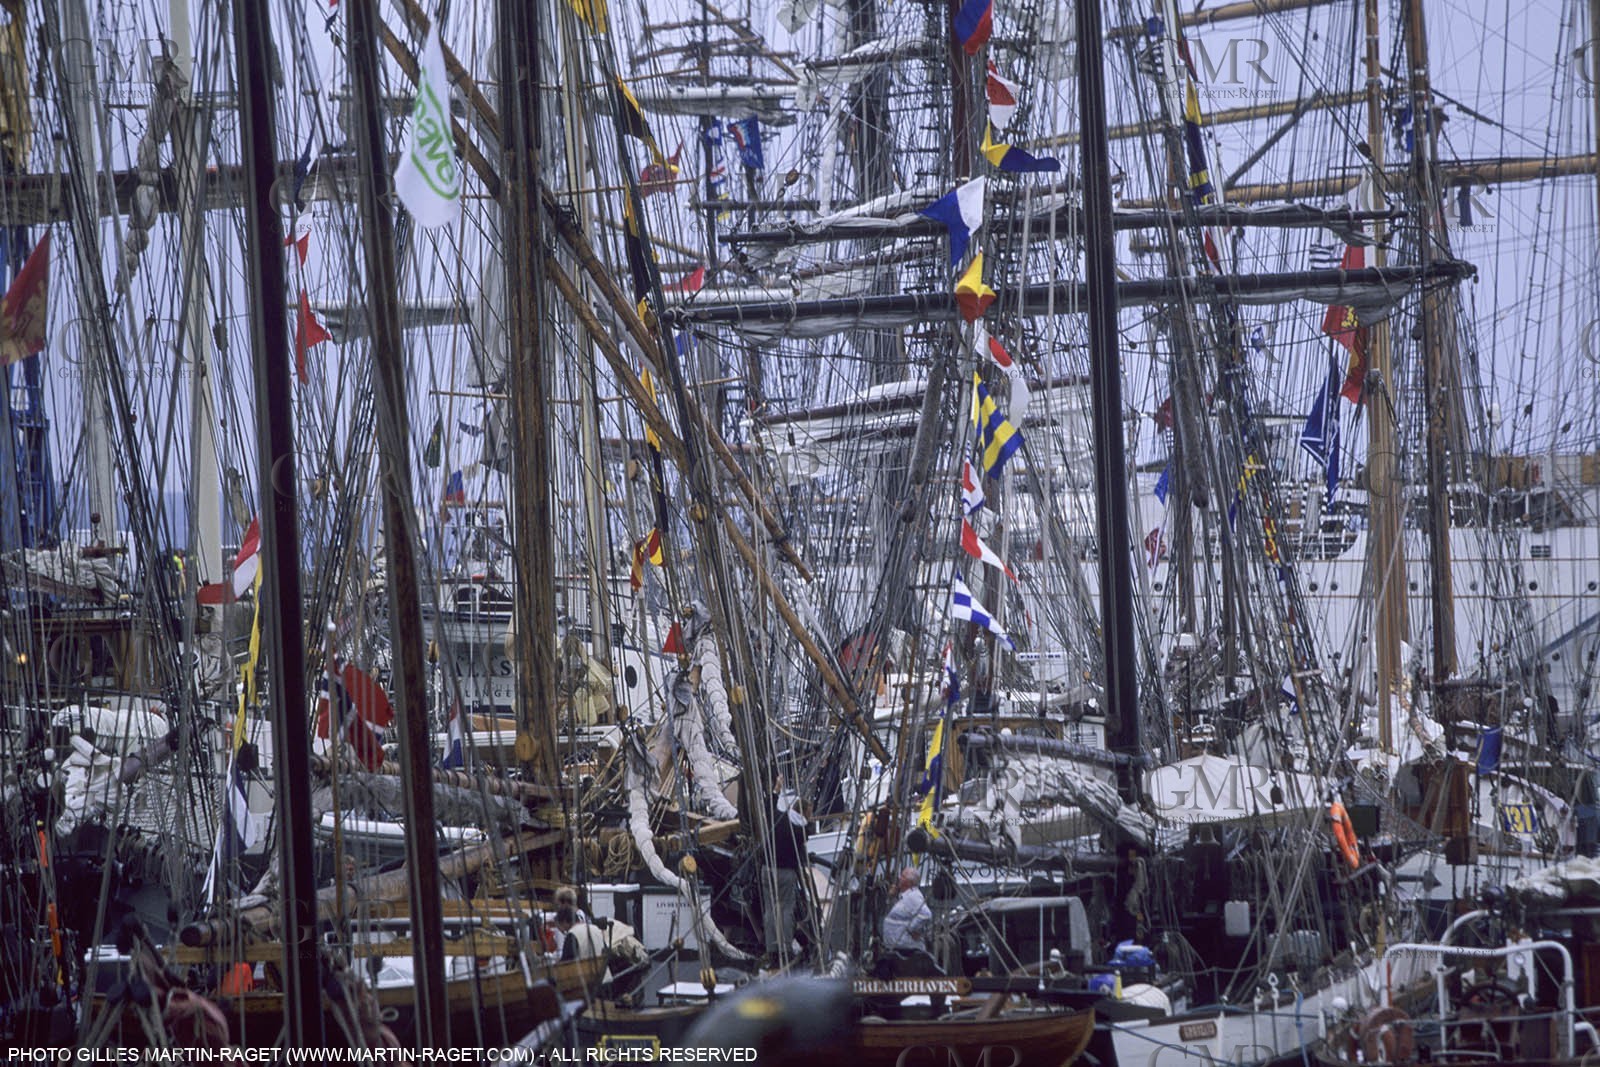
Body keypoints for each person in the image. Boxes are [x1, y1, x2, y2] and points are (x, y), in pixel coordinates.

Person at [760, 780, 809, 969]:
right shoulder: (803, 829)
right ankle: (785, 949)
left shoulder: (779, 819)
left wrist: (776, 790)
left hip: (767, 870)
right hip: (786, 873)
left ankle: (771, 950)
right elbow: (802, 858)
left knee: (770, 910)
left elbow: (768, 807)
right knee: (785, 909)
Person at [878, 867, 938, 976]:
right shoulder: (904, 896)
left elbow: (926, 914)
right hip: (897, 948)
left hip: (906, 950)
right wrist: (892, 897)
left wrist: (911, 929)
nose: (899, 878)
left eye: (902, 876)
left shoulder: (913, 896)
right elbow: (901, 912)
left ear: (909, 882)